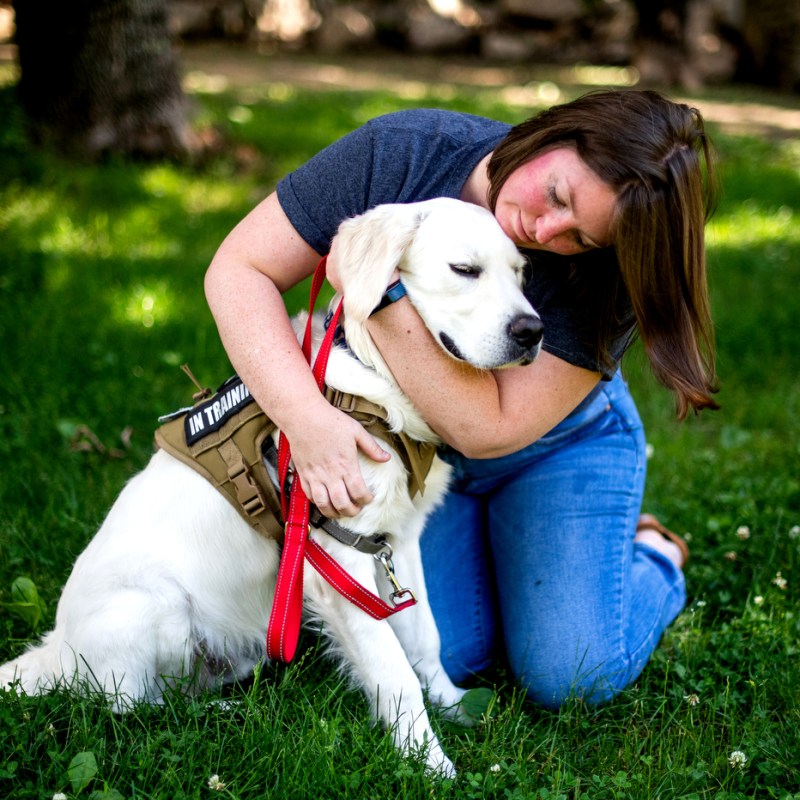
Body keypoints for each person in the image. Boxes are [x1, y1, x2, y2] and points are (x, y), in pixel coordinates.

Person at [204, 89, 718, 709]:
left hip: (549, 448)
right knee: (455, 656)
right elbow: (239, 269)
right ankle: (521, 562)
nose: (543, 231)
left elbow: (487, 429)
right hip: (410, 448)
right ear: (552, 131)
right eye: (557, 195)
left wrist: (380, 289)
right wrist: (306, 419)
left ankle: (653, 555)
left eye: (579, 238)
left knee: (570, 675)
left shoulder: (612, 270)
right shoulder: (405, 152)